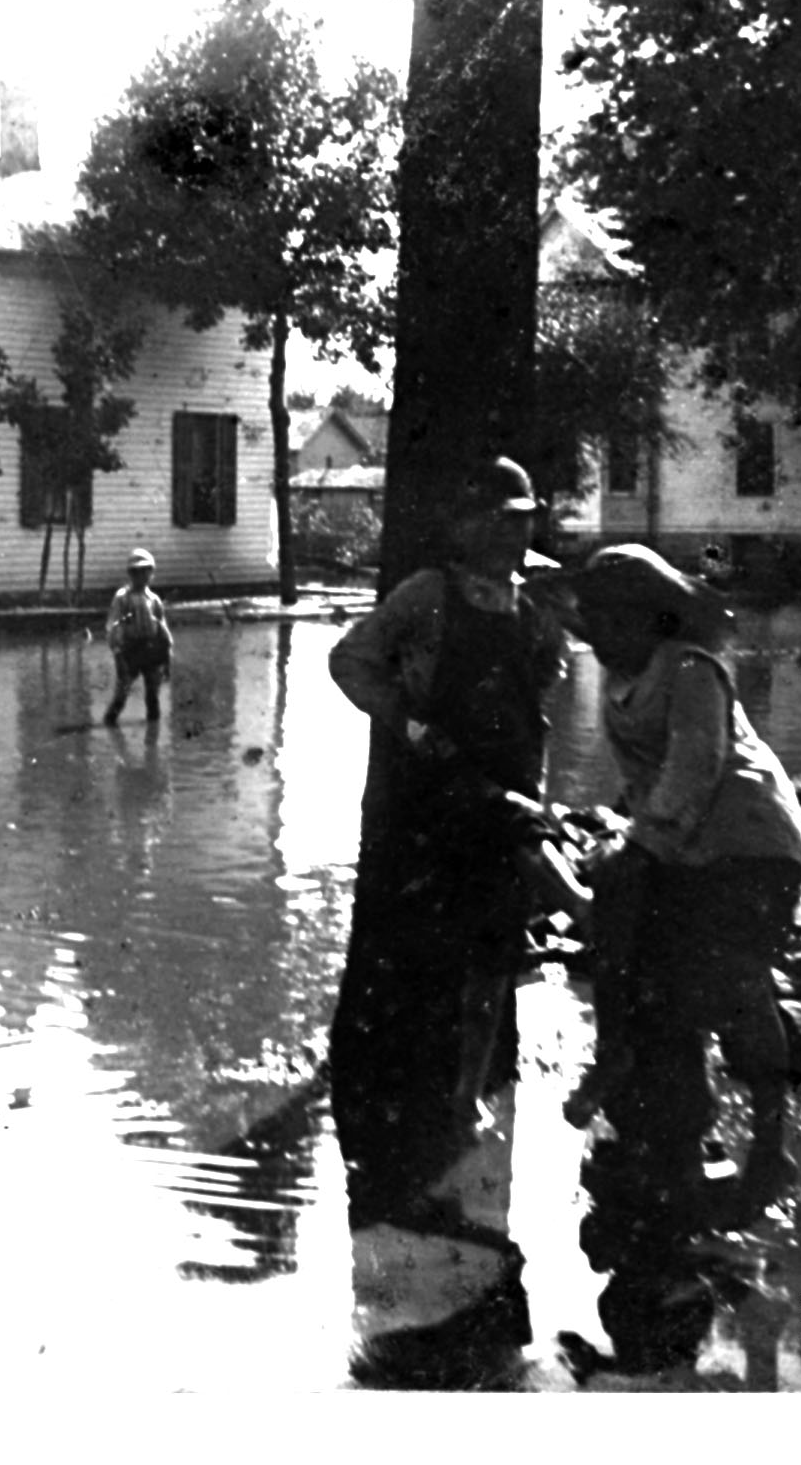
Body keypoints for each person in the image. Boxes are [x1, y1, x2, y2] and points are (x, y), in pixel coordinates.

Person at [327, 457, 585, 1155]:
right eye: (499, 522)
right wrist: (406, 721)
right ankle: (412, 1093)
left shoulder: (534, 600)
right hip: (435, 793)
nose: (510, 536)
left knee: (494, 954)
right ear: (467, 525)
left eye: (522, 522)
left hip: (513, 784)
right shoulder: (427, 594)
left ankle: (468, 1091)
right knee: (431, 944)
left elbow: (549, 681)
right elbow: (349, 660)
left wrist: (551, 644)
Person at [559, 543, 801, 1214]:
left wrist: (637, 846)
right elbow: (648, 775)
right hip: (686, 844)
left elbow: (694, 767)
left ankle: (769, 1141)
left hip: (751, 845)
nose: (603, 634)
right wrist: (622, 834)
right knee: (651, 974)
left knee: (733, 985)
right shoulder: (620, 669)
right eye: (595, 622)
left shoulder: (691, 669)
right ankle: (664, 1115)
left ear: (655, 619)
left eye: (617, 622)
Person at [103, 548, 174, 727]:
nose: (141, 576)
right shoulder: (122, 598)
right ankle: (110, 724)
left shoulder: (154, 599)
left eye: (145, 571)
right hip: (130, 650)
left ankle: (153, 734)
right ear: (130, 574)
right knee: (122, 692)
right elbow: (113, 626)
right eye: (135, 572)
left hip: (151, 650)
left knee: (153, 695)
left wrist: (167, 658)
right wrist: (118, 654)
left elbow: (162, 628)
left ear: (151, 573)